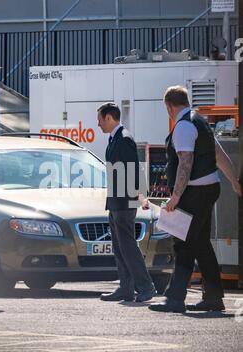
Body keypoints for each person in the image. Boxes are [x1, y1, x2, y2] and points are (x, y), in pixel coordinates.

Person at [149, 86, 242, 313]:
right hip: (209, 189)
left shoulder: (183, 126)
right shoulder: (201, 122)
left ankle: (175, 299)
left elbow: (185, 162)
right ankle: (213, 298)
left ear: (169, 106)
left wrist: (176, 196)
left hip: (193, 192)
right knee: (201, 244)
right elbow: (219, 156)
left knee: (183, 245)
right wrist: (234, 181)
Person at [97, 103, 157, 303]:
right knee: (120, 247)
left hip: (124, 202)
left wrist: (140, 197)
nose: (98, 124)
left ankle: (146, 287)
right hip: (116, 201)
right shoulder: (115, 138)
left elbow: (133, 169)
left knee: (128, 246)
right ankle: (126, 288)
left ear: (108, 118)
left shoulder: (124, 139)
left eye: (99, 119)